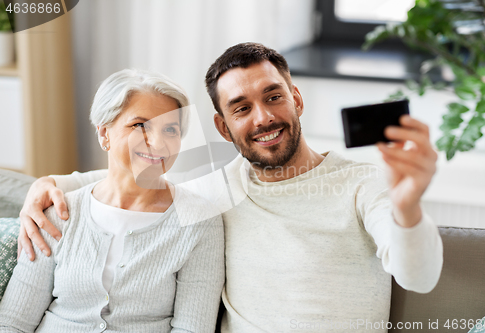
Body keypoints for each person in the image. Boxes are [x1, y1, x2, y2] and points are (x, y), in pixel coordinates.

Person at [18, 43, 442, 333]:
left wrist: (408, 209)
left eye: (273, 97)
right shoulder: (217, 188)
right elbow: (135, 175)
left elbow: (418, 277)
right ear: (223, 127)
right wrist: (51, 184)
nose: (263, 118)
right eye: (241, 109)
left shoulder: (363, 184)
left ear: (296, 98)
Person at [0, 69, 225, 333]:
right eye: (139, 125)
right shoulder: (56, 213)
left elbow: (192, 328)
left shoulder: (200, 219)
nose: (157, 142)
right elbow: (14, 321)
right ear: (104, 133)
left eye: (170, 129)